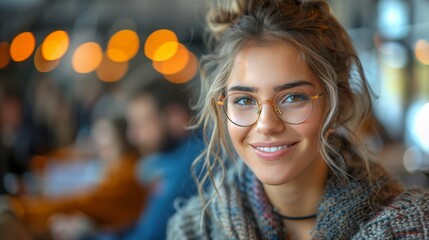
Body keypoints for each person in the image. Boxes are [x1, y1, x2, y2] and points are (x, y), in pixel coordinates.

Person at [167, 0, 429, 239]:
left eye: (293, 98)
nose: (266, 124)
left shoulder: (413, 227)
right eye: (244, 100)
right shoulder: (193, 230)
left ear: (337, 104)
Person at [2, 115, 148, 239]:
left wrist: (21, 210)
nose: (101, 152)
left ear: (124, 141)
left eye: (106, 147)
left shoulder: (125, 175)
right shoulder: (118, 169)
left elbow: (84, 201)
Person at [124, 79, 205, 240]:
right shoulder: (196, 149)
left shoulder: (187, 167)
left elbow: (148, 236)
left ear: (175, 117)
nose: (132, 136)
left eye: (141, 123)